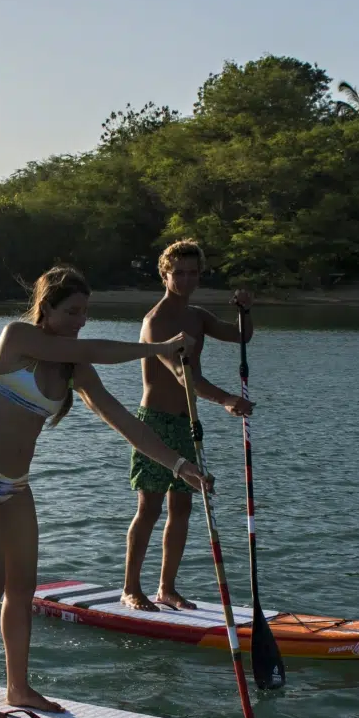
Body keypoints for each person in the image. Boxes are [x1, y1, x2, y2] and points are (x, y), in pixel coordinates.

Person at [0, 266, 210, 718]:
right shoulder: (17, 338)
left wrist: (177, 464)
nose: (80, 320)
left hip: (16, 487)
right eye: (72, 311)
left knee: (22, 591)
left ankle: (18, 687)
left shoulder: (75, 367)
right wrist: (157, 348)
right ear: (45, 308)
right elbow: (93, 347)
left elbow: (123, 420)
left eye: (86, 312)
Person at [121, 240, 253, 611]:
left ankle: (167, 588)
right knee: (149, 508)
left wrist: (245, 310)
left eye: (193, 272)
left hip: (186, 424)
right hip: (155, 425)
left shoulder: (197, 316)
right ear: (164, 274)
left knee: (182, 508)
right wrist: (227, 399)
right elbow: (183, 376)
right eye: (178, 272)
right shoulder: (156, 320)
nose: (186, 279)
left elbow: (242, 335)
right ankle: (131, 588)